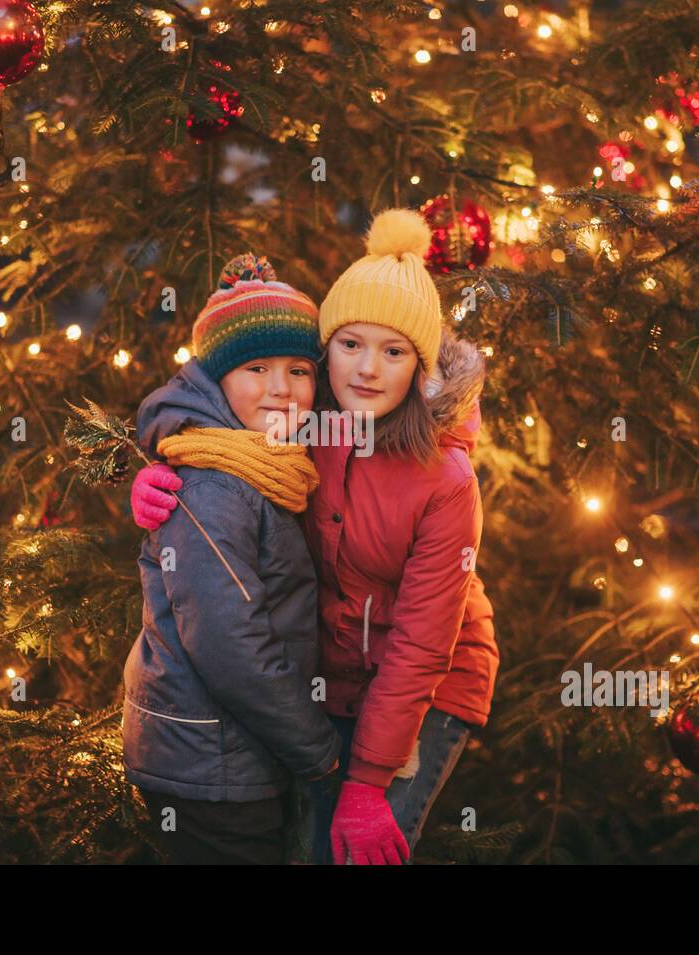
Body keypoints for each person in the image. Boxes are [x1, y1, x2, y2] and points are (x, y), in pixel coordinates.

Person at [131, 211, 499, 865]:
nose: (366, 369)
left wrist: (365, 783)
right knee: (303, 847)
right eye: (350, 344)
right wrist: (163, 467)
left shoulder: (445, 477)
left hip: (424, 685)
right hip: (331, 680)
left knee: (354, 848)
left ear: (420, 366)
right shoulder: (307, 412)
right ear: (325, 348)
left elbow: (420, 643)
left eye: (394, 351)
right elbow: (205, 408)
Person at [122, 253, 341, 865]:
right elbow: (228, 641)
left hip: (227, 752)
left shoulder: (269, 463)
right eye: (256, 367)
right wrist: (317, 751)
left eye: (299, 370)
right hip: (212, 763)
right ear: (214, 379)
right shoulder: (216, 480)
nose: (281, 388)